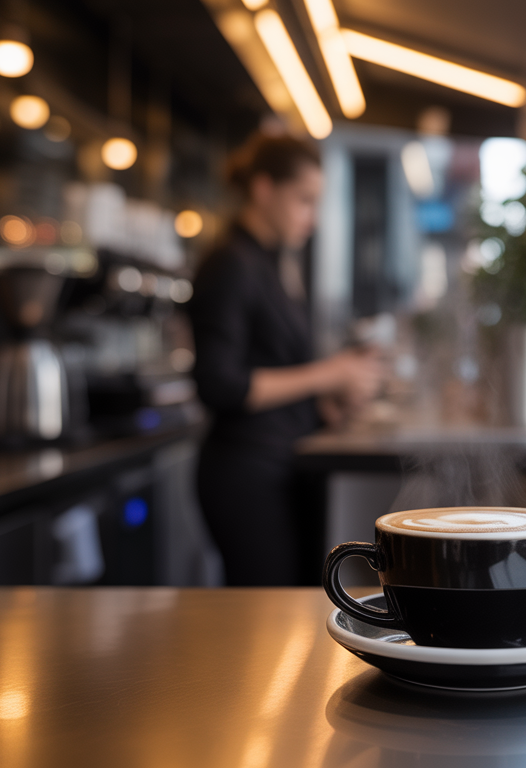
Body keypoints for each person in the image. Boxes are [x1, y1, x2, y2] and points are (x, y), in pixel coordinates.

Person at [189, 133, 382, 586]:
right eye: (304, 201)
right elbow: (219, 384)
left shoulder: (267, 264)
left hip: (279, 466)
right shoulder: (230, 263)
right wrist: (329, 374)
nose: (312, 219)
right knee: (265, 626)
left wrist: (328, 402)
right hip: (245, 475)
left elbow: (274, 371)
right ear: (263, 189)